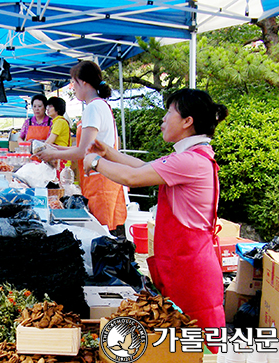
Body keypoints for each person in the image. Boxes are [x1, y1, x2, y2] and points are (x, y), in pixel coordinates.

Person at [83, 88, 227, 353]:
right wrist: (107, 153)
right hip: (185, 267)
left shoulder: (190, 160)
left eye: (169, 112)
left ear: (187, 121)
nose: (163, 119)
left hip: (192, 276)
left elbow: (132, 178)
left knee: (200, 349)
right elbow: (141, 166)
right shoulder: (191, 156)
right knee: (181, 348)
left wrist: (94, 162)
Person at [37, 60, 126, 231]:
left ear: (83, 82)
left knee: (103, 232)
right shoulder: (101, 105)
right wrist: (55, 149)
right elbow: (83, 147)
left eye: (73, 82)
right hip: (100, 177)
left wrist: (52, 154)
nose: (73, 87)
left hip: (100, 180)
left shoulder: (94, 108)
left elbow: (81, 151)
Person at [45, 96, 71, 177]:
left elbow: (49, 142)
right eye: (47, 107)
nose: (47, 109)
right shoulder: (57, 122)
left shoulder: (59, 122)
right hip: (60, 157)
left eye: (50, 106)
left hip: (61, 159)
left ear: (57, 108)